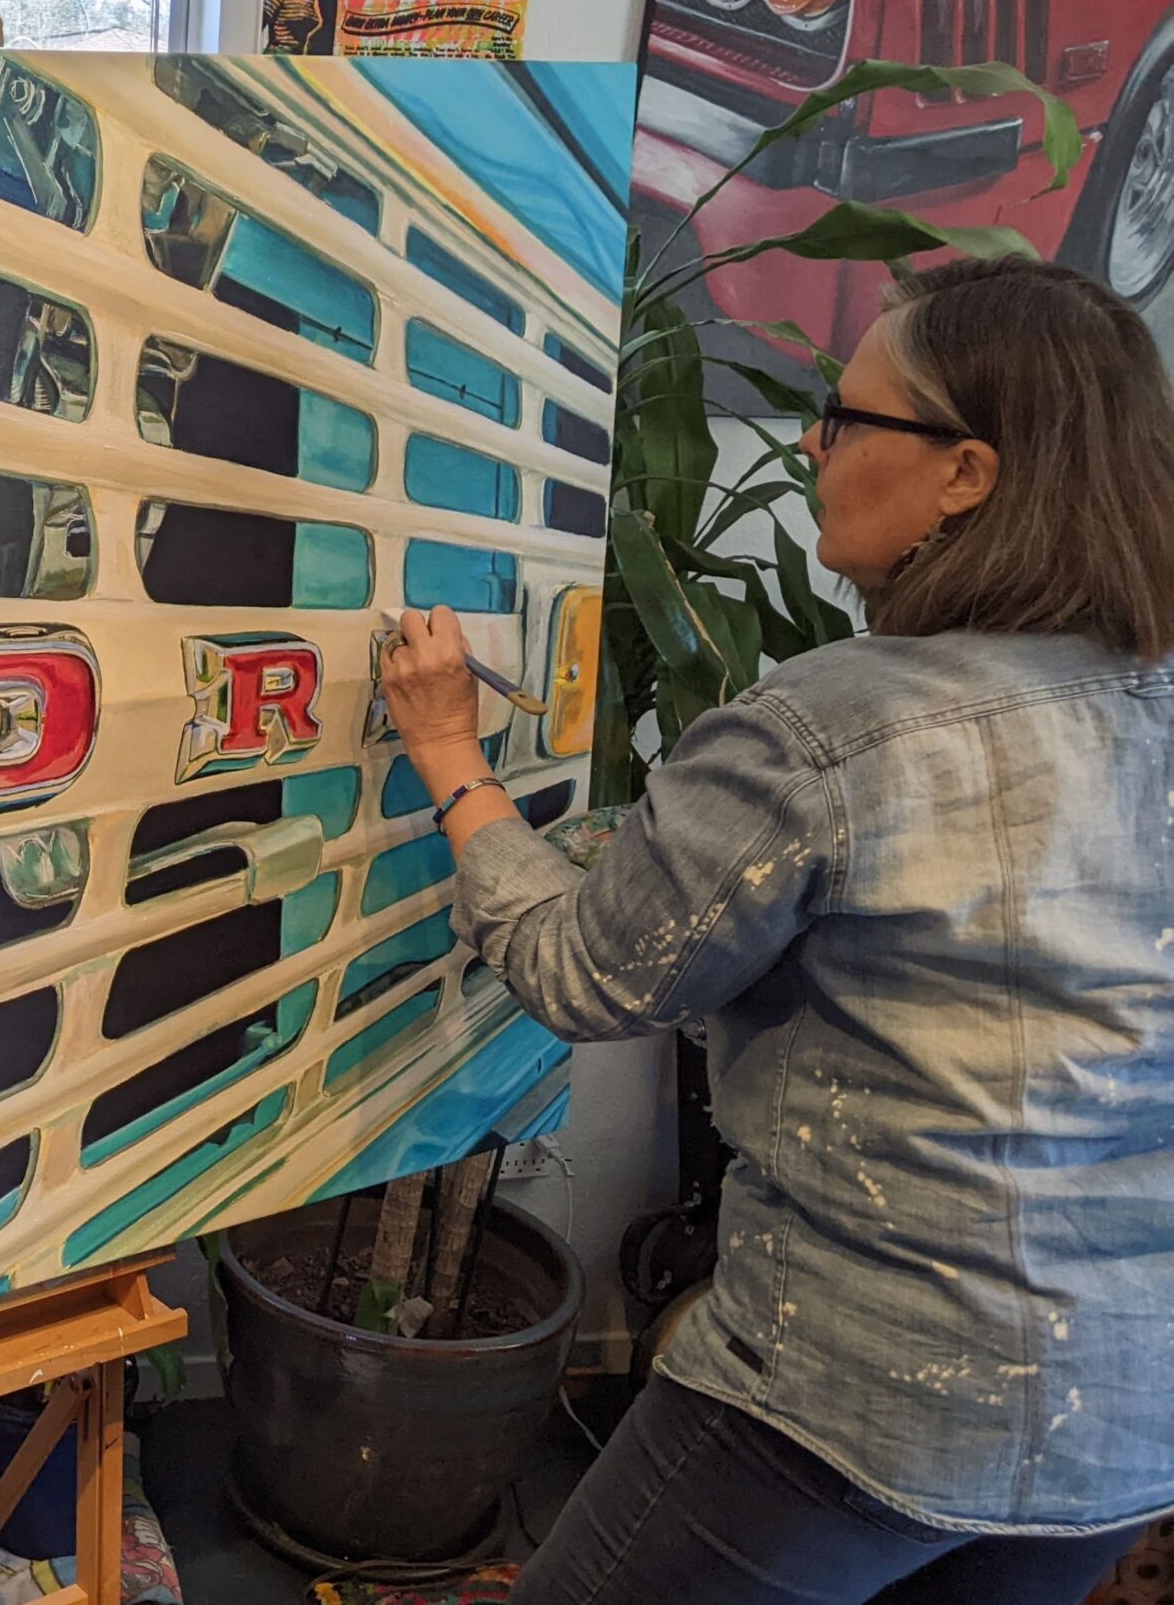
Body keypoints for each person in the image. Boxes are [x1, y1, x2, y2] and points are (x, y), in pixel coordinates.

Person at [378, 256, 1174, 1604]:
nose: (814, 446)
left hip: (855, 1398)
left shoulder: (831, 728)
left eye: (849, 420)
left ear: (966, 474)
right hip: (1127, 1423)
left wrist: (454, 758)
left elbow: (587, 970)